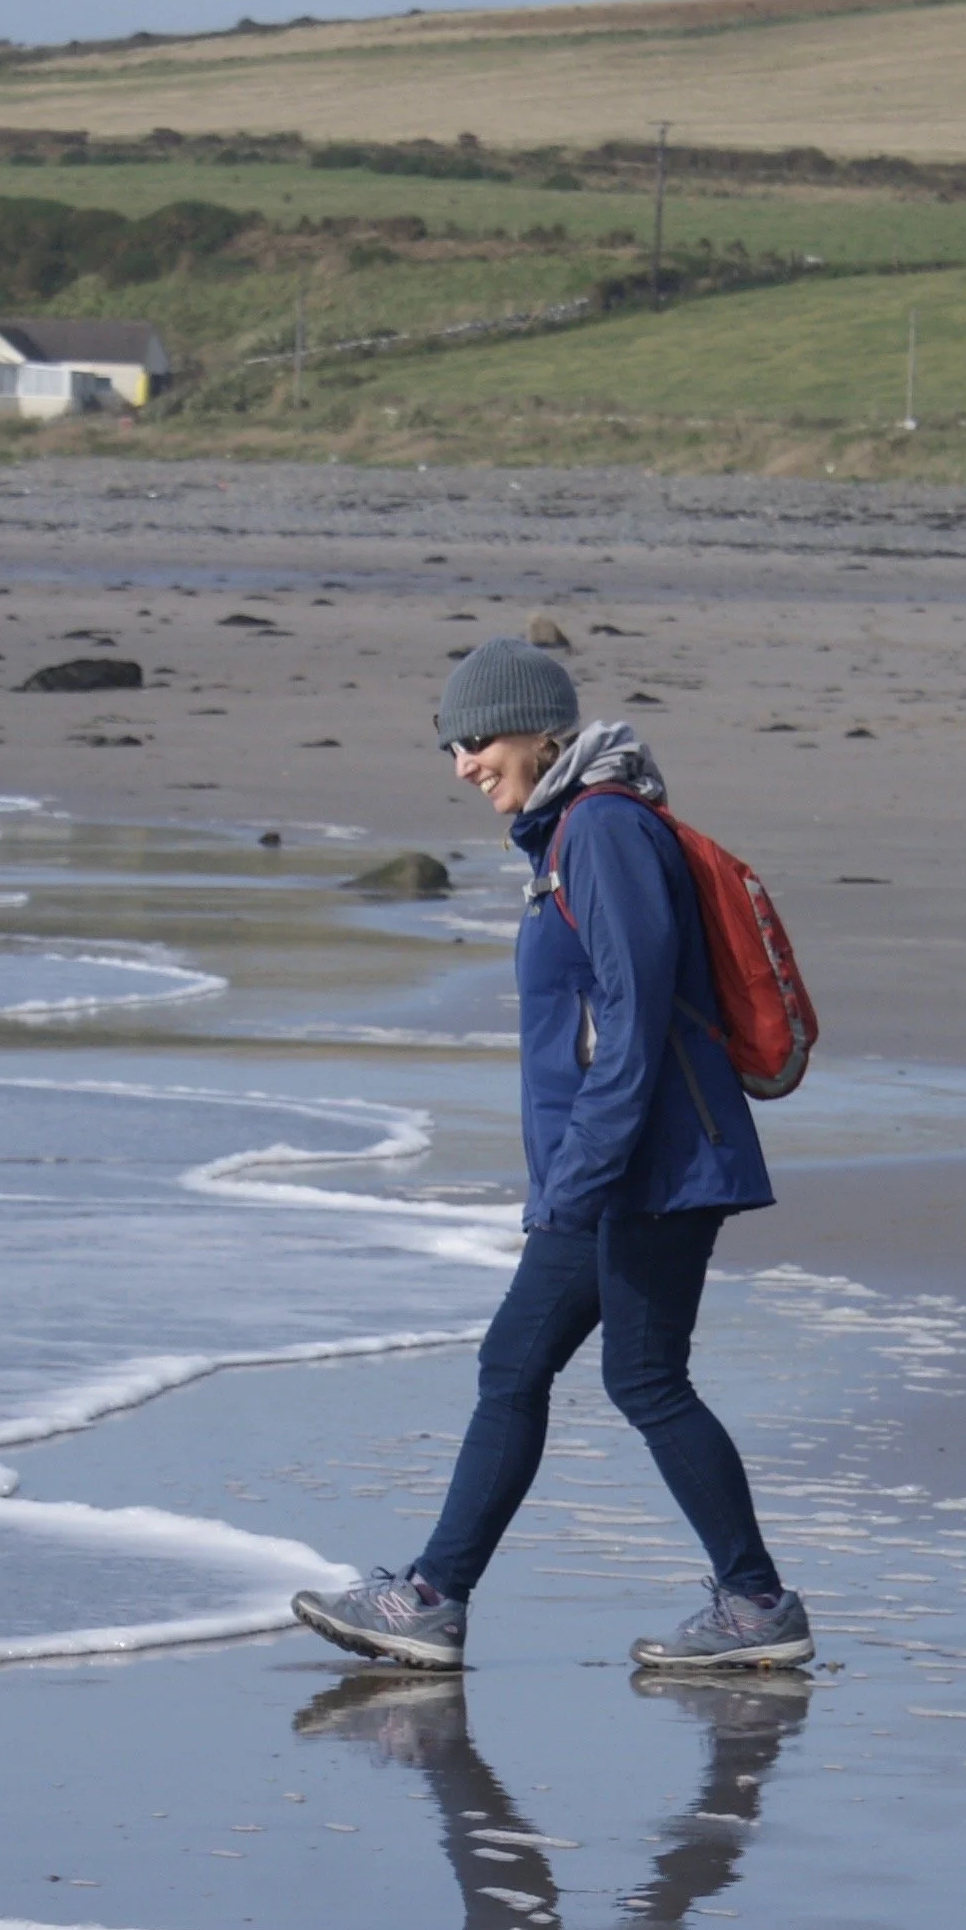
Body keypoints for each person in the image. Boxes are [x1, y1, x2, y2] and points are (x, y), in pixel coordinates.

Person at [292, 634, 813, 1676]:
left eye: (476, 738)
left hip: (642, 1169)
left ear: (540, 730)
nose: (463, 763)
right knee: (559, 1370)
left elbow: (628, 1017)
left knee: (627, 1377)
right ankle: (439, 1596)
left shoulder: (602, 831)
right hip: (630, 1166)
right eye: (450, 746)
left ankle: (746, 1601)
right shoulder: (574, 832)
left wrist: (576, 1179)